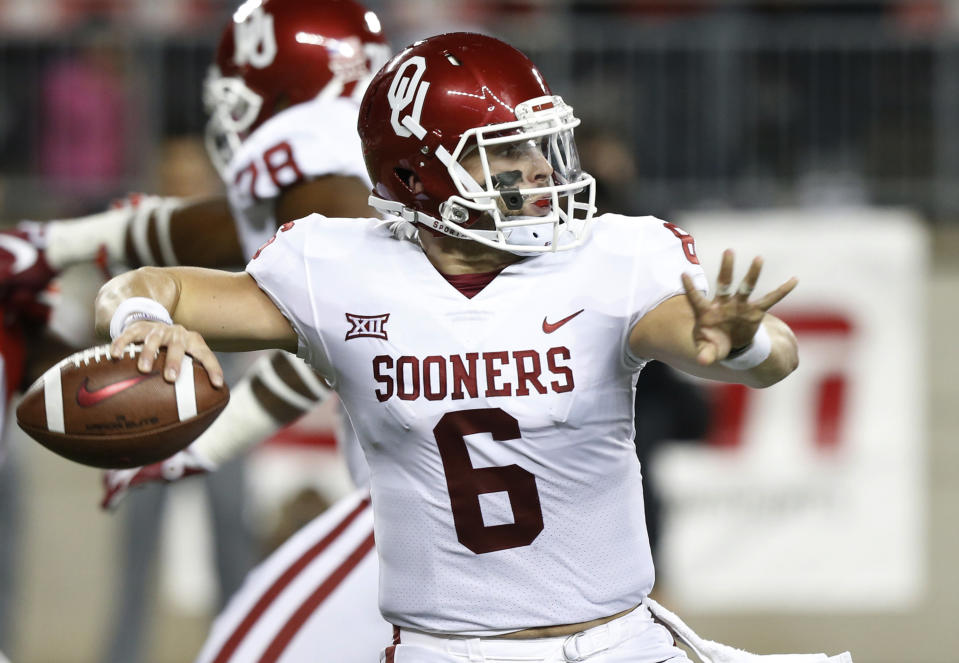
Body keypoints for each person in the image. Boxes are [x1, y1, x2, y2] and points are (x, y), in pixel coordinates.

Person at [93, 32, 852, 663]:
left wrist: (744, 342)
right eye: (503, 156)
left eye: (538, 147)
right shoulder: (338, 268)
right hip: (441, 650)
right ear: (414, 173)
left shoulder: (610, 255)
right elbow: (152, 284)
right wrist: (138, 319)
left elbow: (753, 350)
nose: (538, 173)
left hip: (617, 645)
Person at [0, 1, 394, 661]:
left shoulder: (320, 183)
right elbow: (209, 231)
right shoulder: (365, 177)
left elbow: (343, 339)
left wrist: (209, 439)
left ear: (288, 91)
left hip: (416, 517)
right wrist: (57, 239)